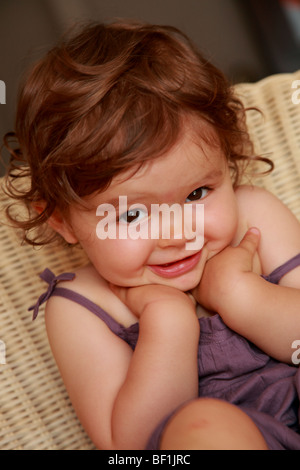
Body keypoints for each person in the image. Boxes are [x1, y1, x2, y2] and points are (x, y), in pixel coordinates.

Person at [3, 20, 300, 450]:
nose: (177, 235)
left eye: (197, 193)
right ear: (61, 220)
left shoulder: (252, 215)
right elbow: (131, 451)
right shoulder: (81, 305)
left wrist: (240, 294)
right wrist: (170, 323)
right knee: (204, 424)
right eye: (130, 216)